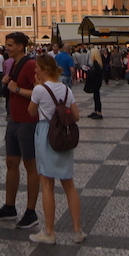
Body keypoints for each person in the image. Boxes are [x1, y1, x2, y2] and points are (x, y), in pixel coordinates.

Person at [27, 54, 86, 245]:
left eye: (37, 68)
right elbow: (75, 116)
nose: (35, 71)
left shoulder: (39, 90)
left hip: (46, 133)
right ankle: (77, 231)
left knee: (47, 185)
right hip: (64, 134)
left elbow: (31, 111)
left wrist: (37, 87)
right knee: (69, 184)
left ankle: (49, 232)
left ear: (44, 69)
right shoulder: (66, 89)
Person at [0, 32, 40, 229]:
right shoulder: (16, 64)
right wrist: (8, 85)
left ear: (20, 46)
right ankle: (10, 207)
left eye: (10, 45)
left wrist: (16, 89)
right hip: (14, 121)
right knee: (11, 162)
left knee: (30, 166)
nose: (6, 48)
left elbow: (39, 91)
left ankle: (31, 211)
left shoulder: (29, 65)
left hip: (28, 122)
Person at [84, 45, 104, 119]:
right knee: (95, 97)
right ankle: (96, 111)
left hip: (96, 82)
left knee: (97, 97)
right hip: (98, 81)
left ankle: (99, 112)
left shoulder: (95, 63)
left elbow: (95, 73)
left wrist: (88, 71)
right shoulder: (98, 62)